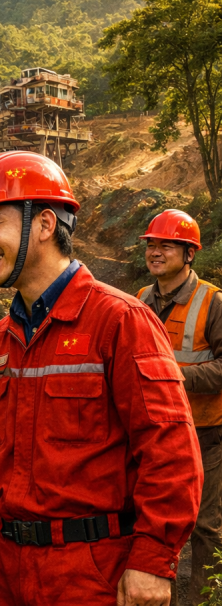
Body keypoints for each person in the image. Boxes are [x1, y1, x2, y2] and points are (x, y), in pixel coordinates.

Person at [0, 150, 202, 606]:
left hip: (93, 571)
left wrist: (153, 561)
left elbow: (170, 450)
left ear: (43, 224)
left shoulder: (120, 321)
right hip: (8, 567)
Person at [139, 209, 222, 605]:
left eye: (165, 245)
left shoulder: (213, 301)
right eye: (151, 245)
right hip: (153, 430)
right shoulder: (141, 299)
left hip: (205, 432)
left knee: (205, 526)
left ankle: (204, 599)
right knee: (152, 517)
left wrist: (173, 377)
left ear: (189, 254)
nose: (155, 252)